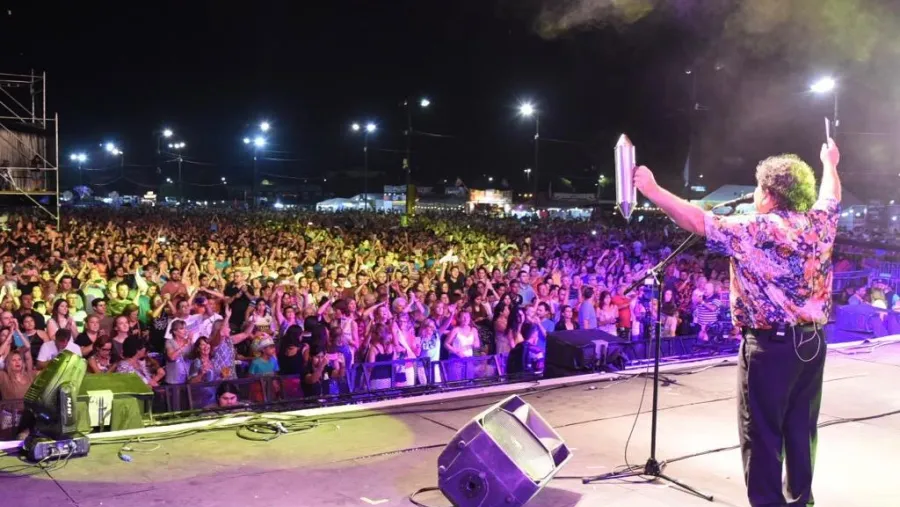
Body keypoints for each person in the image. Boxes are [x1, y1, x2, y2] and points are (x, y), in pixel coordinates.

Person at [634, 138, 841, 506]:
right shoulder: (819, 223)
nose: (755, 193)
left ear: (771, 194)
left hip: (770, 347)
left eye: (759, 187)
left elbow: (696, 220)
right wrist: (830, 164)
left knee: (761, 433)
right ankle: (801, 501)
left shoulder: (758, 229)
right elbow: (831, 196)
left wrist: (652, 190)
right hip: (812, 344)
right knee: (800, 430)